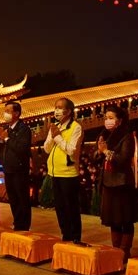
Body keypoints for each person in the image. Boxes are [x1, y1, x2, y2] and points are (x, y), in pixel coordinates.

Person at [96, 106, 136, 262]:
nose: (107, 121)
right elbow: (96, 157)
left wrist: (106, 152)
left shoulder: (127, 136)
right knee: (113, 219)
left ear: (119, 120)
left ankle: (125, 251)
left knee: (125, 218)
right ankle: (115, 249)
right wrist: (99, 152)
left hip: (122, 182)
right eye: (106, 117)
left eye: (111, 117)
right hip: (108, 181)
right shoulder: (105, 135)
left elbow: (124, 159)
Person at [44, 98, 83, 242]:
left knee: (71, 207)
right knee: (60, 208)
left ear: (69, 111)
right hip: (54, 172)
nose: (57, 110)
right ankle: (65, 235)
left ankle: (75, 237)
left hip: (68, 173)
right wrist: (52, 136)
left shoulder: (75, 127)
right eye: (56, 107)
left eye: (60, 108)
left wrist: (58, 137)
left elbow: (72, 150)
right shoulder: (55, 126)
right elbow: (47, 149)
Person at [0, 101, 32, 231]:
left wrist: (7, 139)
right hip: (8, 168)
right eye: (5, 111)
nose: (5, 114)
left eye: (8, 111)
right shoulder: (8, 129)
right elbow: (2, 150)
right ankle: (17, 223)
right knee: (13, 198)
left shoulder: (24, 129)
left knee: (22, 198)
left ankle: (24, 226)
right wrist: (1, 140)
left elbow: (21, 149)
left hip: (19, 169)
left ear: (16, 113)